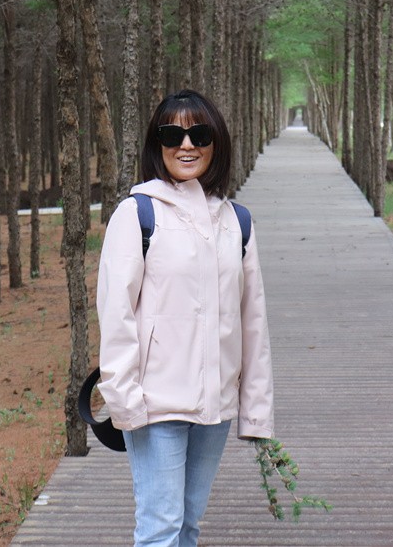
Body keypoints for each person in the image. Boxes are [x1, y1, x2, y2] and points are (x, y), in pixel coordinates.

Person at [96, 89, 274, 547]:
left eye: (199, 134)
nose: (187, 145)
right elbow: (116, 314)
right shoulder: (137, 214)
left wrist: (255, 409)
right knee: (161, 529)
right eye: (172, 135)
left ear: (217, 143)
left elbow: (252, 322)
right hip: (154, 403)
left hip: (215, 405)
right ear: (157, 145)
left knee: (188, 525)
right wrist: (124, 400)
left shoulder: (237, 222)